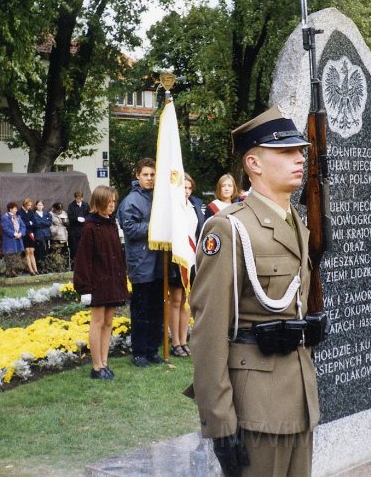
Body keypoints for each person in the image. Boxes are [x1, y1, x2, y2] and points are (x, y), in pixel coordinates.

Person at [189, 106, 321, 477]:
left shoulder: (296, 221)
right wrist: (219, 423)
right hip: (256, 408)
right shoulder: (229, 229)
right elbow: (208, 331)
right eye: (286, 152)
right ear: (254, 163)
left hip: (299, 397)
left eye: (300, 151)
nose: (299, 158)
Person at [73, 186, 129, 380]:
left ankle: (104, 362)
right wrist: (84, 288)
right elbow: (83, 260)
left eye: (114, 201)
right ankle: (96, 366)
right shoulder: (90, 227)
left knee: (108, 322)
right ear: (99, 202)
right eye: (109, 201)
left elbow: (118, 256)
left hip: (112, 282)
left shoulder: (111, 224)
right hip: (97, 283)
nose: (112, 205)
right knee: (97, 322)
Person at [118, 158, 164, 367]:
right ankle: (139, 352)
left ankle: (153, 349)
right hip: (141, 262)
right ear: (137, 176)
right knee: (142, 309)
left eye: (153, 174)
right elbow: (131, 230)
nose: (149, 178)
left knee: (156, 309)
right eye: (145, 174)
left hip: (158, 262)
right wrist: (155, 224)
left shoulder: (159, 197)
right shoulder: (131, 201)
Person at [169, 173, 206, 357]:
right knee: (176, 300)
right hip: (177, 258)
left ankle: (184, 340)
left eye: (189, 188)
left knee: (187, 302)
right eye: (183, 187)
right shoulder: (173, 208)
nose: (186, 191)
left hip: (192, 258)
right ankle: (175, 342)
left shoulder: (195, 205)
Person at [0, 202, 25, 277]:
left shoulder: (18, 217)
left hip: (18, 239)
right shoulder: (5, 217)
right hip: (10, 240)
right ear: (10, 209)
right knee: (10, 255)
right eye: (15, 209)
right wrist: (15, 234)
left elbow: (23, 226)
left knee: (17, 254)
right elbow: (5, 228)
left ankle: (15, 271)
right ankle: (10, 272)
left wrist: (21, 233)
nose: (16, 210)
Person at [67, 191, 90, 264]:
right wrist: (77, 218)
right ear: (75, 198)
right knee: (75, 248)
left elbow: (89, 215)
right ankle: (75, 264)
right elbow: (70, 217)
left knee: (84, 248)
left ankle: (84, 263)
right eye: (77, 198)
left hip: (83, 229)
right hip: (74, 230)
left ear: (82, 198)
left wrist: (85, 219)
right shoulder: (71, 206)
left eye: (80, 198)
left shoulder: (86, 205)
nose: (79, 200)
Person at [19, 198, 39, 276]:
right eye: (28, 205)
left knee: (32, 251)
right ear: (25, 205)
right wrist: (30, 223)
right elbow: (22, 224)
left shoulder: (31, 212)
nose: (30, 207)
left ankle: (36, 269)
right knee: (27, 251)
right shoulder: (20, 212)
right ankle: (31, 270)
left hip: (31, 233)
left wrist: (30, 223)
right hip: (25, 234)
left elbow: (35, 223)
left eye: (31, 205)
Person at [32, 200, 52, 272]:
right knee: (39, 251)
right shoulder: (34, 214)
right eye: (38, 205)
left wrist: (42, 222)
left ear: (43, 206)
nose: (40, 206)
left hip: (46, 234)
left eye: (41, 205)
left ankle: (46, 267)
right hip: (38, 234)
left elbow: (49, 222)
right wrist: (44, 222)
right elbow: (36, 223)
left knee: (46, 251)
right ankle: (40, 267)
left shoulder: (47, 213)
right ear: (36, 206)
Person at [50, 202, 70, 269]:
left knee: (64, 250)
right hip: (55, 234)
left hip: (63, 234)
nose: (60, 211)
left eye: (61, 210)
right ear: (54, 209)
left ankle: (65, 265)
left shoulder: (64, 213)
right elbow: (50, 224)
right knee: (56, 250)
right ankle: (56, 266)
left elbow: (67, 223)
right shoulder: (51, 214)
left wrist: (66, 222)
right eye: (58, 210)